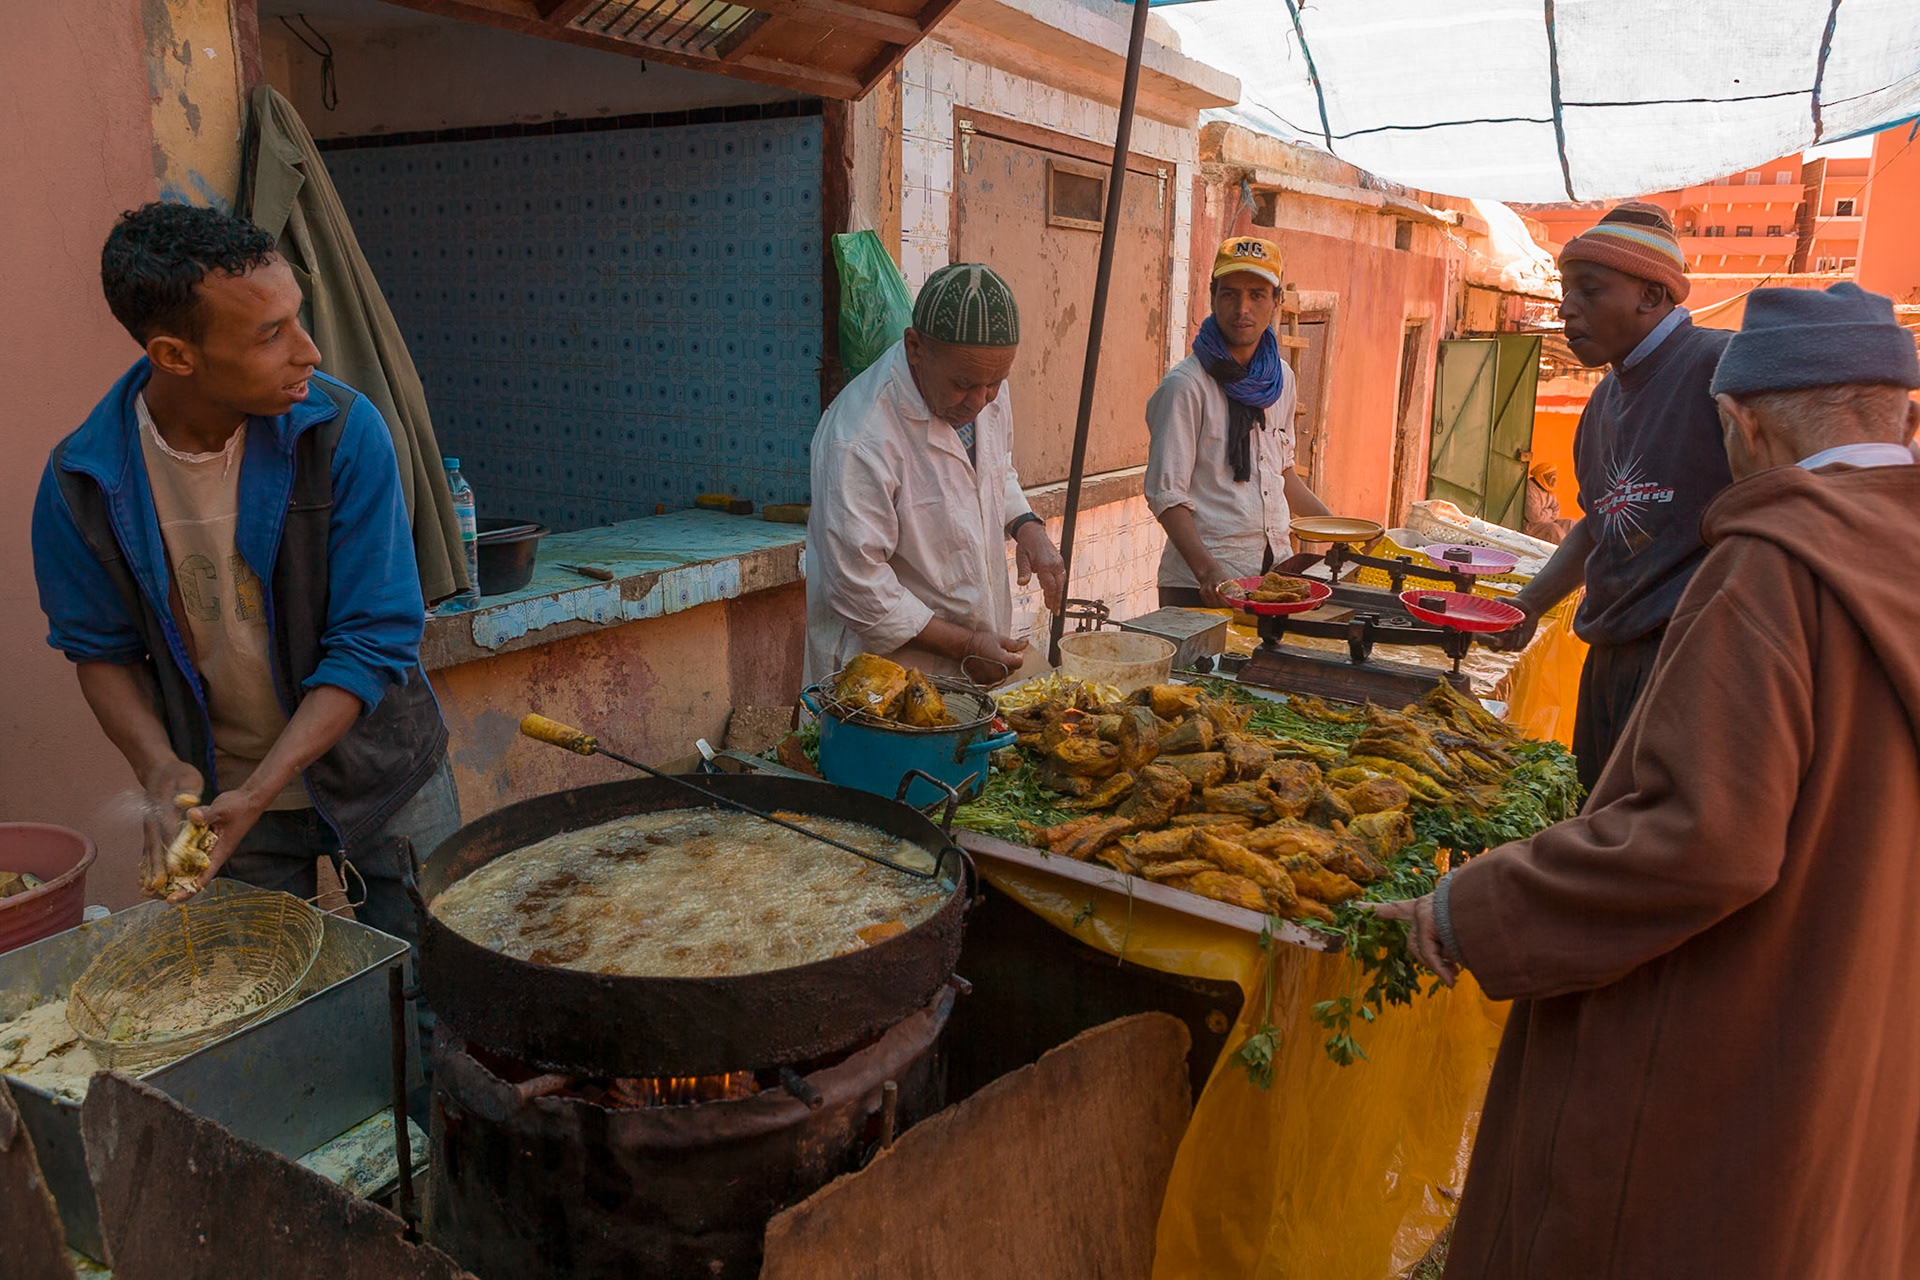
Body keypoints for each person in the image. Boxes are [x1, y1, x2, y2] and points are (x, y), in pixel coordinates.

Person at [1377, 283, 1920, 1279]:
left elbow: (1698, 834)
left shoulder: (1774, 569)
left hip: (1730, 1057)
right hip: (1860, 1056)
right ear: (1904, 415)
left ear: (1743, 423)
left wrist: (1476, 905)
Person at [32, 202, 457, 946]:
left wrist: (264, 787)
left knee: (441, 990)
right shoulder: (82, 480)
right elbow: (100, 654)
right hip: (225, 804)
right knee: (264, 1013)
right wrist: (161, 767)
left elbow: (373, 640)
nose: (311, 352)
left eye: (298, 317)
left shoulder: (341, 431)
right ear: (175, 356)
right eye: (271, 334)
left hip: (383, 774)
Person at [1484, 203, 1733, 791]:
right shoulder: (1604, 403)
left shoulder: (1718, 367)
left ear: (1650, 296)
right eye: (1566, 291)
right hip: (1611, 654)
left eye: (1589, 291)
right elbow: (1598, 525)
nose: (1567, 310)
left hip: (1685, 663)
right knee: (1594, 816)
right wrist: (1530, 603)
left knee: (1651, 848)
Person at [806, 263, 1065, 684]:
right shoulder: (858, 437)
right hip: (881, 676)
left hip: (978, 658)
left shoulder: (982, 380)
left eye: (996, 382)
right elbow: (857, 588)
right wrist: (963, 646)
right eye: (963, 384)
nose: (981, 401)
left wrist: (1026, 526)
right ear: (915, 348)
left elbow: (995, 470)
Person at [1145, 236, 1332, 607]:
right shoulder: (1186, 386)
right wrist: (1208, 572)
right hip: (1200, 588)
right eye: (1229, 294)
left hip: (1272, 580)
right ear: (1213, 297)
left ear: (1276, 301)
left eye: (1257, 295)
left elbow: (1283, 474)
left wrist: (1342, 532)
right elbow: (1166, 498)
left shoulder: (1282, 379)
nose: (1242, 308)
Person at [1521, 460, 1573, 544]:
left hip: (1546, 521)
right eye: (1552, 478)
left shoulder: (1548, 490)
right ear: (1542, 476)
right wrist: (1549, 512)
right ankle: (1567, 553)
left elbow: (1556, 510)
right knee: (1553, 529)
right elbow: (1535, 517)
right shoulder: (1530, 489)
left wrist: (1545, 513)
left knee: (1570, 523)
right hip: (1530, 526)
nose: (1554, 481)